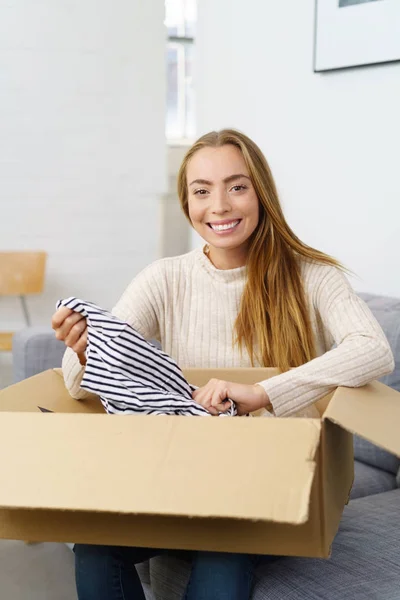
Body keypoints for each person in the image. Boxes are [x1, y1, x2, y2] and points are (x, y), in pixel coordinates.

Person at [52, 129, 394, 600]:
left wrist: (265, 391)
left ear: (261, 192)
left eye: (237, 186)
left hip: (275, 481)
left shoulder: (314, 276)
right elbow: (75, 385)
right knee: (93, 547)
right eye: (201, 191)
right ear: (187, 203)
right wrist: (86, 349)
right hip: (181, 476)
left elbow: (374, 350)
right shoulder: (164, 279)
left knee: (222, 549)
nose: (219, 206)